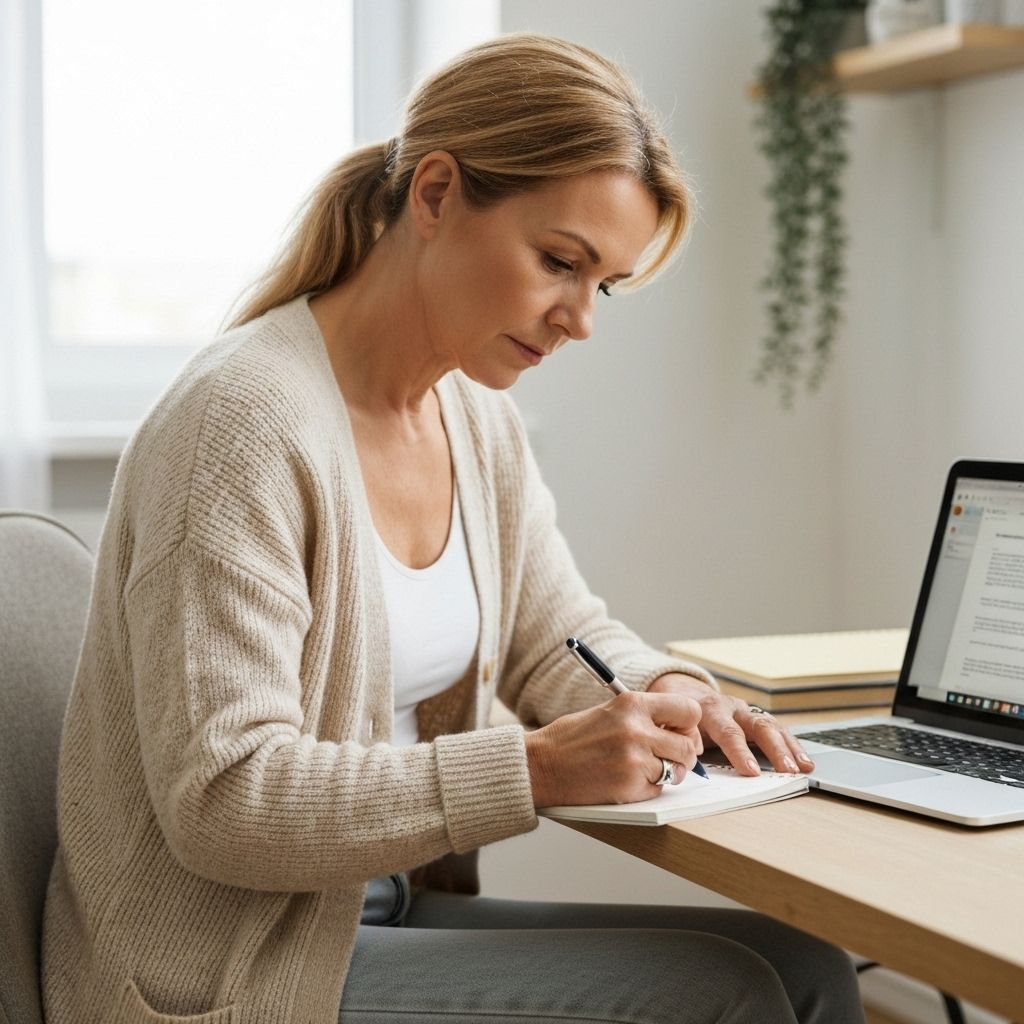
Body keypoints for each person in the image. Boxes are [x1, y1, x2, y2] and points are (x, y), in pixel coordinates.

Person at [42, 33, 864, 1024]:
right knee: (729, 996)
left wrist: (670, 692)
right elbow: (224, 799)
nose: (580, 320)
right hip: (218, 972)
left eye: (601, 283)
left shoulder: (472, 415)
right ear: (434, 194)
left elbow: (556, 636)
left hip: (373, 909)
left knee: (807, 966)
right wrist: (536, 768)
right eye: (558, 262)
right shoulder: (241, 427)